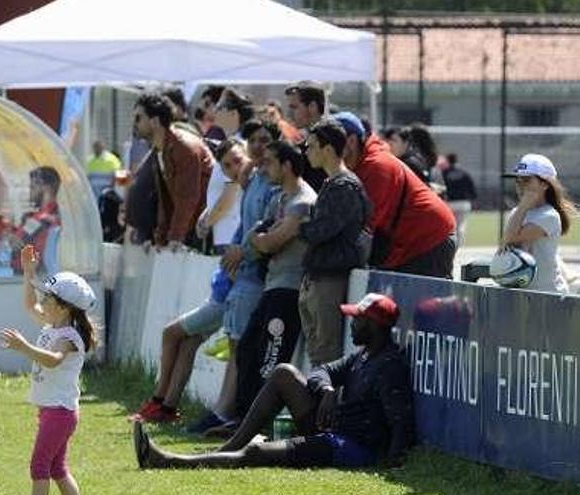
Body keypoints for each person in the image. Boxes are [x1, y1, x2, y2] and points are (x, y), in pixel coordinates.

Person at [134, 293, 414, 470]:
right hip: (333, 430)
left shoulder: (389, 366)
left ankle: (169, 461)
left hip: (350, 447)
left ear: (375, 326)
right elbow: (321, 372)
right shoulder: (363, 355)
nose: (351, 324)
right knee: (283, 372)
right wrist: (327, 390)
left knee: (257, 451)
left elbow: (401, 422)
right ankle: (229, 448)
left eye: (357, 320)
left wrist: (390, 464)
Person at [188, 123, 280, 436]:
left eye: (264, 140)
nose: (257, 145)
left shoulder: (272, 183)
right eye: (252, 139)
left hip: (255, 276)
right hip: (243, 274)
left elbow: (265, 227)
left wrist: (241, 252)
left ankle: (227, 411)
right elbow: (245, 226)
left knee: (240, 347)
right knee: (237, 345)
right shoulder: (253, 180)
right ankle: (228, 410)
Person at [0, 245, 97, 495]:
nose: (42, 301)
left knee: (39, 466)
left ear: (63, 307)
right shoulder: (53, 325)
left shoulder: (69, 336)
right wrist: (28, 273)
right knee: (57, 468)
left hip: (59, 412)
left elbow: (54, 359)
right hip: (53, 410)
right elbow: (30, 305)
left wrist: (24, 347)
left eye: (48, 298)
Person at [234, 141, 316, 419]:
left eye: (269, 162)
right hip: (272, 285)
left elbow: (270, 242)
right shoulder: (279, 198)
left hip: (290, 290)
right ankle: (240, 418)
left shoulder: (303, 202)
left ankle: (257, 423)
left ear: (287, 166)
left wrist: (264, 239)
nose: (263, 167)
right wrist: (263, 238)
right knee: (247, 350)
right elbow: (257, 235)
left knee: (271, 358)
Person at [288, 119, 371, 367]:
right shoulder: (331, 183)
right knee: (317, 350)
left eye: (311, 146)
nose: (306, 151)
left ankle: (325, 405)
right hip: (317, 277)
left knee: (325, 354)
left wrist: (295, 227)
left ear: (327, 149)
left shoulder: (344, 186)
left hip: (330, 279)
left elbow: (322, 231)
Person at [335, 112, 456, 278]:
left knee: (424, 303)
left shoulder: (376, 166)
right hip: (410, 241)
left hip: (427, 239)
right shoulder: (361, 163)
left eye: (331, 142)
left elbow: (367, 223)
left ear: (351, 141)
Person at [129, 266, 232, 423]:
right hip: (220, 296)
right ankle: (167, 408)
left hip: (223, 300)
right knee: (188, 343)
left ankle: (158, 399)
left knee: (170, 333)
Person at [133, 93, 212, 251]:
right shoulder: (160, 149)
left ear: (155, 122)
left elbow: (188, 197)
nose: (134, 124)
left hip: (205, 230)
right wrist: (160, 239)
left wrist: (176, 237)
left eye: (138, 118)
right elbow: (167, 201)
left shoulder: (184, 148)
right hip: (191, 229)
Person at [502, 154, 577, 293]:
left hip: (549, 294)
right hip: (524, 292)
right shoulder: (517, 213)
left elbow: (511, 237)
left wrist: (523, 205)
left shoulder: (548, 215)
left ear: (544, 184)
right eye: (517, 181)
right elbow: (506, 246)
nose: (520, 185)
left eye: (526, 180)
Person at [195, 137, 243, 254]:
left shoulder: (228, 163)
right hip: (223, 235)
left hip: (229, 235)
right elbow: (218, 196)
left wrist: (207, 223)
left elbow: (229, 197)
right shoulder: (221, 165)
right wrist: (206, 214)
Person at [284, 82, 329, 192]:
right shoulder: (303, 143)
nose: (289, 114)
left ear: (312, 107)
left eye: (294, 107)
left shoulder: (330, 140)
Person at [441, 153, 477, 247]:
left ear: (448, 161)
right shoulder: (464, 173)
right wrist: (473, 198)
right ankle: (458, 246)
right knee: (460, 226)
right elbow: (471, 188)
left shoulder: (444, 173)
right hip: (463, 203)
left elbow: (441, 188)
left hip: (450, 203)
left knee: (450, 226)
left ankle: (450, 245)